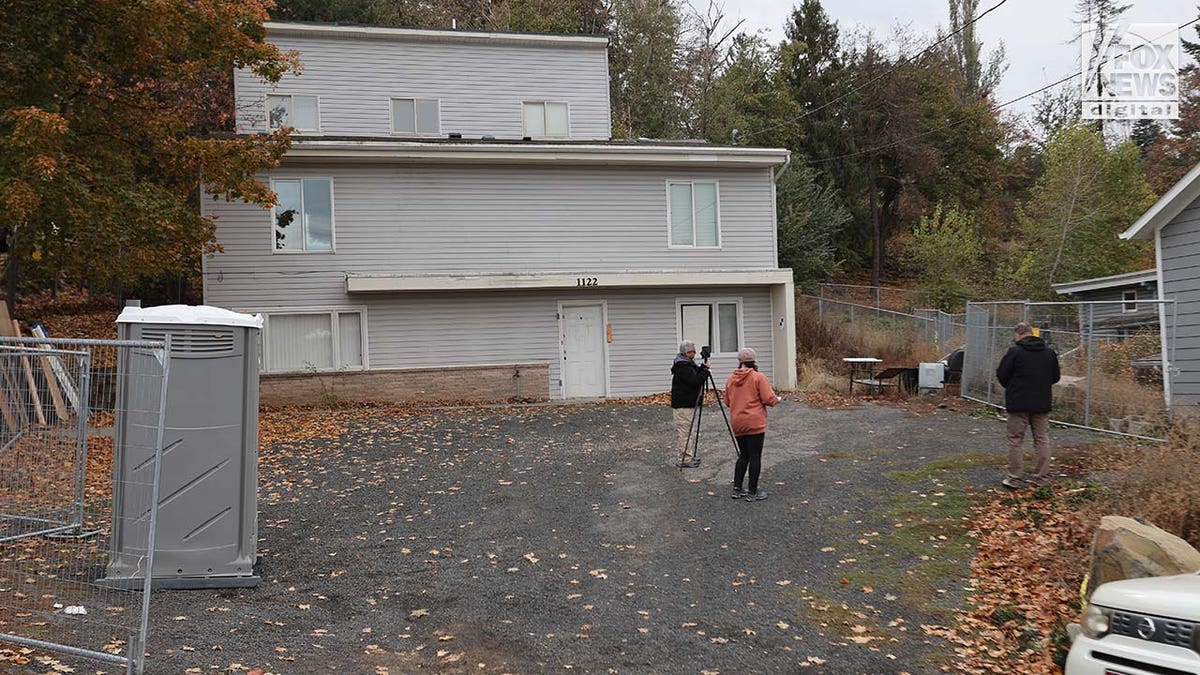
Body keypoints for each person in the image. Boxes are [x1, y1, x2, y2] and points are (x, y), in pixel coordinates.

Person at [995, 322, 1061, 490]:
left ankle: (1014, 478)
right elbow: (1055, 377)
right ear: (1033, 333)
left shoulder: (1015, 352)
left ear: (1018, 334)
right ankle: (1041, 478)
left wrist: (1013, 387)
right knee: (1042, 439)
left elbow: (1002, 374)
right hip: (1042, 403)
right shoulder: (1049, 353)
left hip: (1018, 403)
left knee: (1015, 440)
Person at [725, 347, 779, 501]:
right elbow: (769, 399)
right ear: (754, 361)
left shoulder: (731, 379)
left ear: (739, 361)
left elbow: (727, 402)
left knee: (743, 456)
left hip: (738, 422)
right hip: (755, 422)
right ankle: (752, 491)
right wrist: (777, 400)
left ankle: (737, 488)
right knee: (755, 456)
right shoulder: (758, 377)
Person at [670, 340, 708, 468]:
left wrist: (703, 368)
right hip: (683, 405)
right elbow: (695, 381)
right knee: (685, 432)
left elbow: (696, 373)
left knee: (687, 431)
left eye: (694, 351)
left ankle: (688, 456)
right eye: (691, 352)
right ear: (685, 353)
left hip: (687, 404)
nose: (694, 354)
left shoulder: (687, 364)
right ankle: (685, 459)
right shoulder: (683, 366)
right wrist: (705, 372)